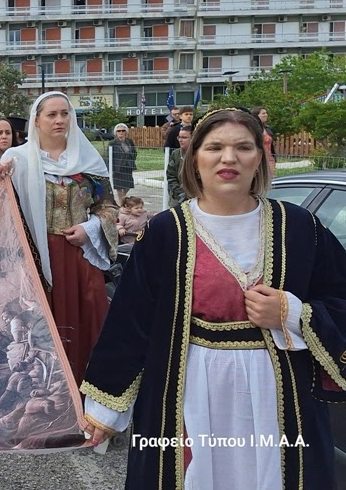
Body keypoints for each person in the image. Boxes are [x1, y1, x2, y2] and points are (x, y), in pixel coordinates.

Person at [81, 107, 346, 490]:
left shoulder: (300, 227)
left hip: (278, 396)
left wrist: (292, 313)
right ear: (195, 158)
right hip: (190, 390)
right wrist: (105, 408)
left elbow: (340, 296)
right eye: (215, 147)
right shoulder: (165, 232)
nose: (229, 158)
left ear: (259, 158)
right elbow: (130, 322)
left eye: (243, 147)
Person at [0, 91, 119, 385]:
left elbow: (108, 207)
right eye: (51, 115)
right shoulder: (17, 160)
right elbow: (1, 210)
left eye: (65, 114)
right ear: (36, 121)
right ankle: (51, 390)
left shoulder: (87, 159)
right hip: (38, 258)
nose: (59, 120)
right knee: (45, 323)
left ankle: (91, 391)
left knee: (88, 320)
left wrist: (90, 229)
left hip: (79, 256)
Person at [107, 123, 137, 205]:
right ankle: (122, 205)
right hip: (118, 168)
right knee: (119, 188)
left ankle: (122, 200)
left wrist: (132, 160)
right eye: (119, 131)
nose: (121, 132)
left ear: (126, 132)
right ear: (115, 132)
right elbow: (109, 157)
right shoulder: (112, 143)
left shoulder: (129, 141)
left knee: (128, 186)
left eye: (123, 130)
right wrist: (110, 169)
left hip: (128, 167)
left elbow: (134, 152)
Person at [166, 124, 193, 207]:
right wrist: (180, 193)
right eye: (179, 137)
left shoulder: (200, 154)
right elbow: (171, 176)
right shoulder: (176, 154)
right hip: (178, 197)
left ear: (193, 138)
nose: (180, 140)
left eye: (184, 137)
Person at [252, 106, 277, 176]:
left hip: (269, 158)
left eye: (266, 113)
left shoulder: (267, 128)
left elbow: (271, 145)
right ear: (256, 116)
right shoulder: (253, 129)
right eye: (263, 113)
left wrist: (274, 158)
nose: (266, 115)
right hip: (259, 159)